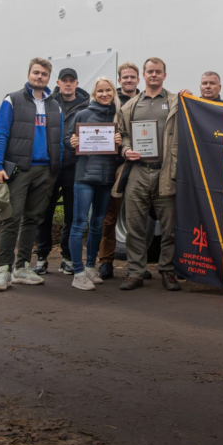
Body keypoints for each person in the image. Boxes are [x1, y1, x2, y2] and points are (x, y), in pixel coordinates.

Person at [0, 58, 64, 292]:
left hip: (45, 172)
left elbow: (58, 142)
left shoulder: (55, 106)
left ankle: (21, 268)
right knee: (12, 219)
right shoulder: (12, 100)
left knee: (33, 219)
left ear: (49, 78)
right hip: (20, 169)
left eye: (44, 74)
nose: (39, 77)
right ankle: (3, 271)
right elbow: (0, 133)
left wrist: (56, 168)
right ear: (29, 74)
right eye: (36, 73)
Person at [115, 57, 181, 291]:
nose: (154, 75)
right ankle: (135, 272)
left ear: (164, 75)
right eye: (150, 71)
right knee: (135, 226)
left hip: (166, 172)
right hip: (138, 172)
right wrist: (126, 149)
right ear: (143, 75)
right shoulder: (130, 105)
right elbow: (122, 134)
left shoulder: (176, 102)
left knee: (169, 226)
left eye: (158, 72)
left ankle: (167, 271)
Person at [34, 69, 90, 276]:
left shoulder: (87, 107)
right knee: (43, 213)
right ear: (57, 82)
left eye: (71, 81)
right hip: (50, 167)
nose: (68, 84)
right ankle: (41, 257)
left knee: (71, 215)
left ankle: (67, 257)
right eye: (64, 81)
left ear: (76, 83)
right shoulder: (48, 104)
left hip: (74, 168)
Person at [68, 77, 122, 291]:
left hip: (107, 177)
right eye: (100, 90)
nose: (104, 94)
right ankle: (78, 272)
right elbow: (67, 140)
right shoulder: (82, 114)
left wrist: (119, 143)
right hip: (85, 177)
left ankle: (91, 267)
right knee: (79, 223)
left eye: (108, 90)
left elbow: (123, 149)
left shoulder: (118, 116)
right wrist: (72, 142)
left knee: (98, 223)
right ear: (94, 93)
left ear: (113, 93)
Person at [97, 62, 141, 280]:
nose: (129, 80)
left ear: (138, 80)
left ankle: (137, 266)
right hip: (115, 166)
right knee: (110, 216)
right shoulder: (112, 104)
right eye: (125, 77)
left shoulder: (145, 102)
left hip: (141, 167)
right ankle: (105, 261)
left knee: (136, 219)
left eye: (132, 77)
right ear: (120, 81)